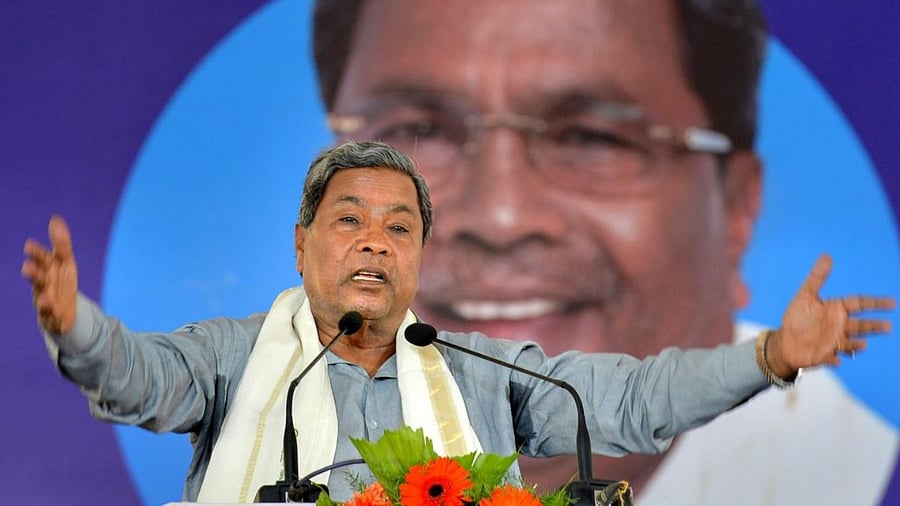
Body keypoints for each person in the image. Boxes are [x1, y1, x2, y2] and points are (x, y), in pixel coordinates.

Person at [23, 141, 893, 503]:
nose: (374, 242)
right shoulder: (238, 359)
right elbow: (138, 377)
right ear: (302, 245)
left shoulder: (481, 374)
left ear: (422, 258)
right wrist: (78, 331)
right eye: (350, 220)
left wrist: (772, 355)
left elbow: (632, 398)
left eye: (400, 227)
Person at [312, 0, 900, 502]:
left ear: (737, 214)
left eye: (590, 137)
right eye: (423, 131)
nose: (501, 217)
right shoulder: (277, 418)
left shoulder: (855, 481)